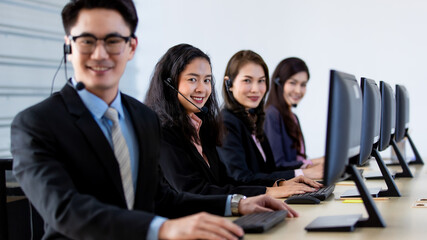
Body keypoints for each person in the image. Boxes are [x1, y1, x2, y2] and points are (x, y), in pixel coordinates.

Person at [10, 1, 295, 239]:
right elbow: (66, 211)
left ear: (131, 47)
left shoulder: (142, 118)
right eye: (86, 41)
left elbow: (162, 198)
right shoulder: (35, 124)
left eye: (112, 40)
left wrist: (238, 203)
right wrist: (162, 228)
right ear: (69, 46)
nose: (99, 54)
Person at [145, 44, 321, 199]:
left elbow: (225, 181)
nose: (202, 88)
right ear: (169, 83)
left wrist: (279, 185)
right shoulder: (164, 132)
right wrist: (268, 191)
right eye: (192, 79)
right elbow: (195, 190)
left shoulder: (203, 128)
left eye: (206, 80)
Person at [217, 50, 323, 187]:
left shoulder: (254, 119)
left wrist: (303, 173)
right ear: (229, 84)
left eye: (261, 81)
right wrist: (304, 173)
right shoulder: (226, 122)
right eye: (247, 80)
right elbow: (240, 178)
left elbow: (270, 170)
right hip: (250, 204)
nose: (256, 89)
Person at [264, 57, 324, 168]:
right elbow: (278, 165)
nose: (298, 90)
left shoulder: (293, 117)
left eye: (303, 84)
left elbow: (298, 160)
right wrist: (315, 162)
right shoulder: (271, 115)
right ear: (279, 83)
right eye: (292, 83)